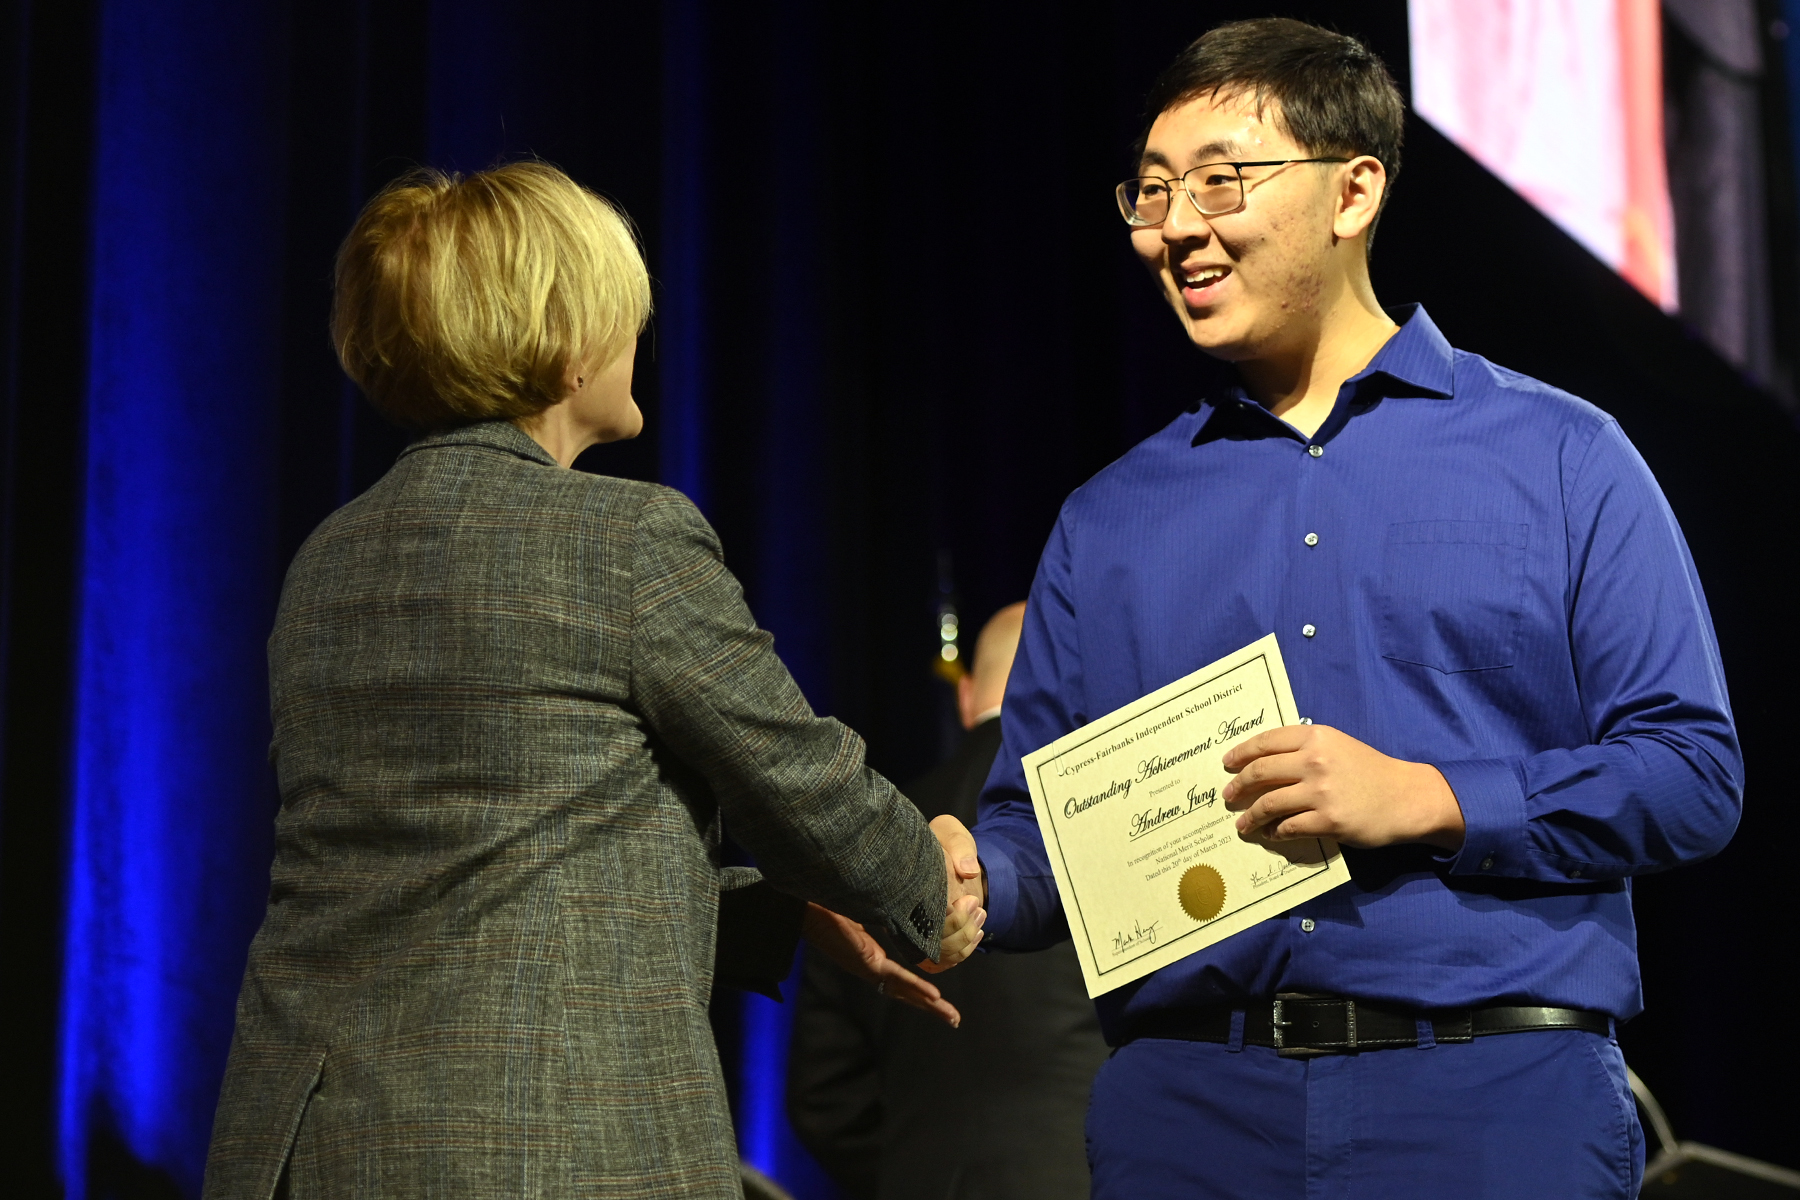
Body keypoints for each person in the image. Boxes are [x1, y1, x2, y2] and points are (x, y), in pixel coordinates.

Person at [961, 19, 1742, 1200]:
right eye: (1153, 190)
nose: (1175, 226)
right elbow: (1043, 846)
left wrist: (1429, 798)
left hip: (1493, 1108)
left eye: (1220, 181)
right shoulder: (1109, 519)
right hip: (1190, 1115)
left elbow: (1692, 775)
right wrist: (960, 877)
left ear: (1353, 191)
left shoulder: (1564, 455)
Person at [201, 161, 984, 1200]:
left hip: (316, 1148)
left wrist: (781, 914)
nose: (637, 338)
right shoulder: (623, 541)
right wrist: (925, 887)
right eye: (624, 313)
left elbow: (484, 855)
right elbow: (802, 784)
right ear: (565, 341)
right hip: (542, 1143)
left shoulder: (330, 560)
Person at [786, 603, 1109, 1200]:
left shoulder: (867, 837)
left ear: (967, 698)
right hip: (1090, 1178)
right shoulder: (1114, 815)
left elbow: (824, 1094)